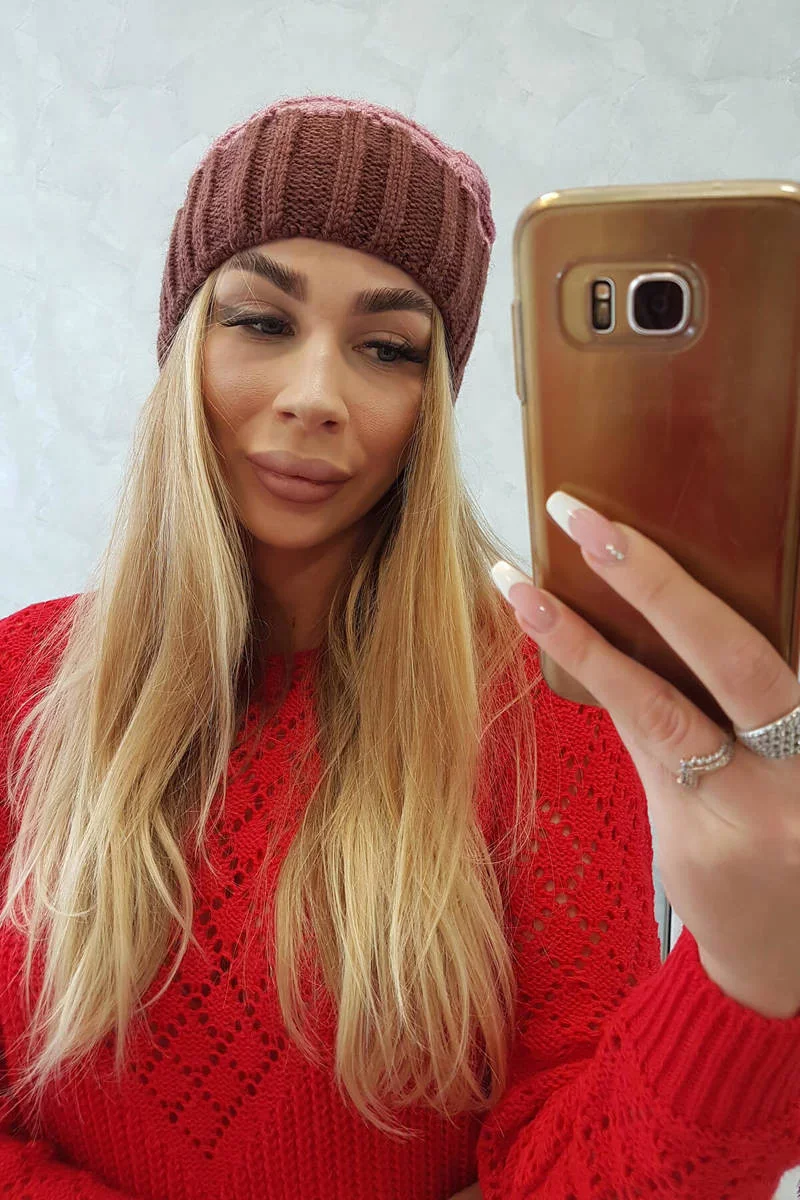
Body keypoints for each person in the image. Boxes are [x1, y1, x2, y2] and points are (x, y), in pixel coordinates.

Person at [0, 94, 797, 1200]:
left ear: (434, 402)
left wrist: (750, 977)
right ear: (181, 344)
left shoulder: (542, 712)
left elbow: (576, 1162)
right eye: (261, 322)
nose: (315, 396)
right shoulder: (20, 681)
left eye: (386, 348)